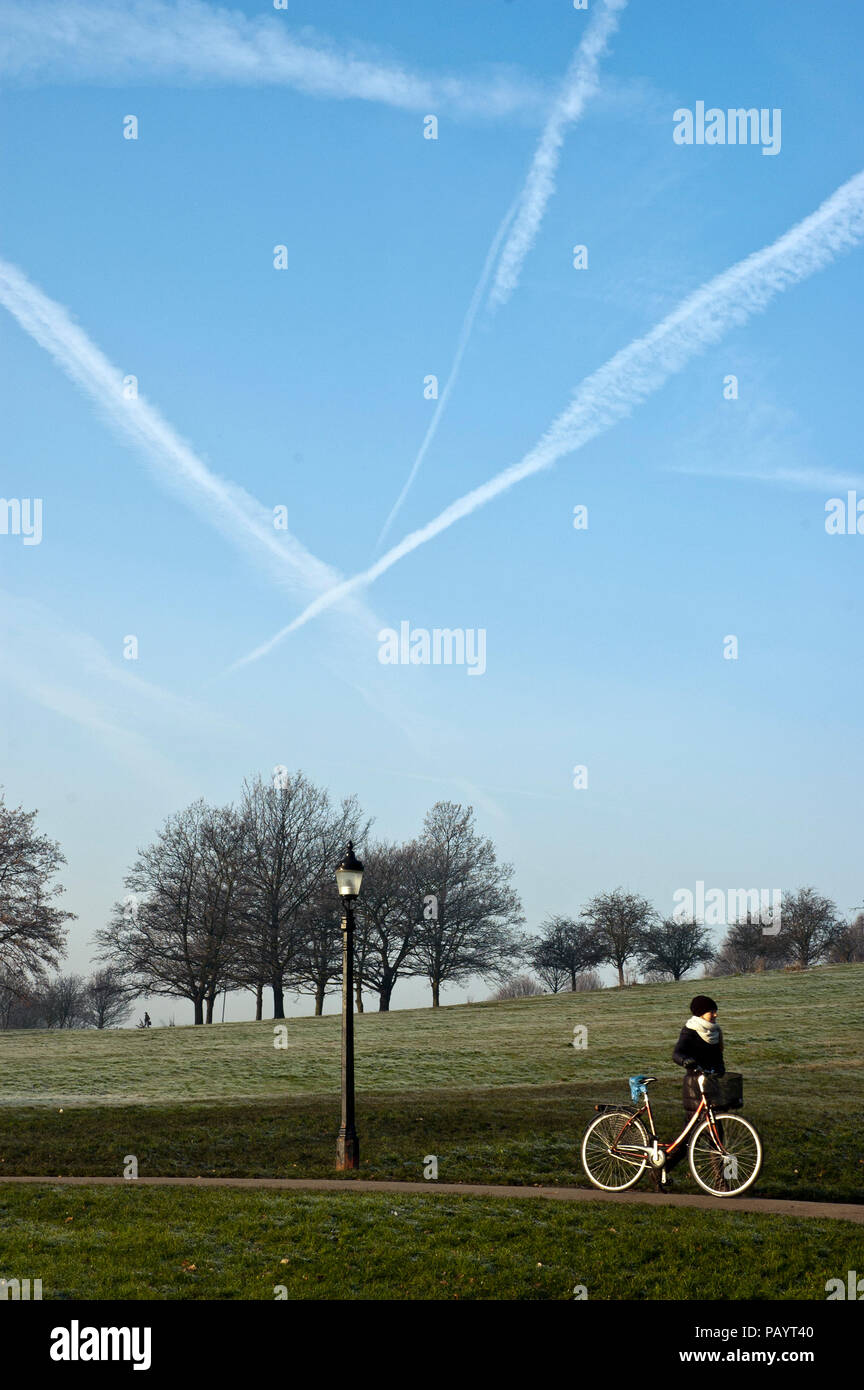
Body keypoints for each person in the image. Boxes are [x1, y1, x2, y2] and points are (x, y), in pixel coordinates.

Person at [654, 994, 725, 1189]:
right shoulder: (690, 1031)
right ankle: (661, 1169)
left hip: (710, 1088)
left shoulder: (715, 1033)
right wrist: (687, 1061)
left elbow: (719, 1059)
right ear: (701, 1013)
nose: (716, 1014)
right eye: (712, 1011)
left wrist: (719, 1070)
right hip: (694, 1089)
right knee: (691, 1139)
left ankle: (722, 1182)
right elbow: (677, 1053)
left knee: (715, 1135)